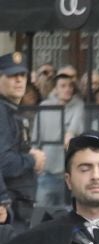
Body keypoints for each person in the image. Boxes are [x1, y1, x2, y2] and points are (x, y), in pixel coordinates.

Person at [0, 54, 45, 223]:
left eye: (22, 75)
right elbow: (3, 162)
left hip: (17, 207)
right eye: (12, 76)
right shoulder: (2, 112)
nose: (19, 80)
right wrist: (33, 160)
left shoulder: (9, 110)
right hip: (8, 209)